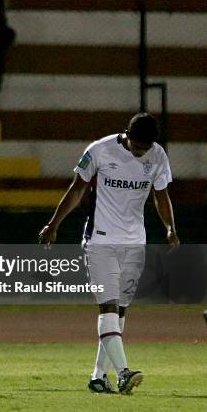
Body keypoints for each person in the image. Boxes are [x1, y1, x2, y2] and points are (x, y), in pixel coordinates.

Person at [38, 113, 180, 395]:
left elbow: (160, 194)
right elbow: (76, 189)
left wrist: (170, 229)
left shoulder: (157, 155)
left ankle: (98, 377)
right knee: (109, 306)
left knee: (121, 310)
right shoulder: (99, 150)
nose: (141, 152)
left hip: (134, 242)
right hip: (100, 240)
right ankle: (123, 373)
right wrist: (53, 224)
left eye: (146, 148)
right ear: (126, 135)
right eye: (137, 147)